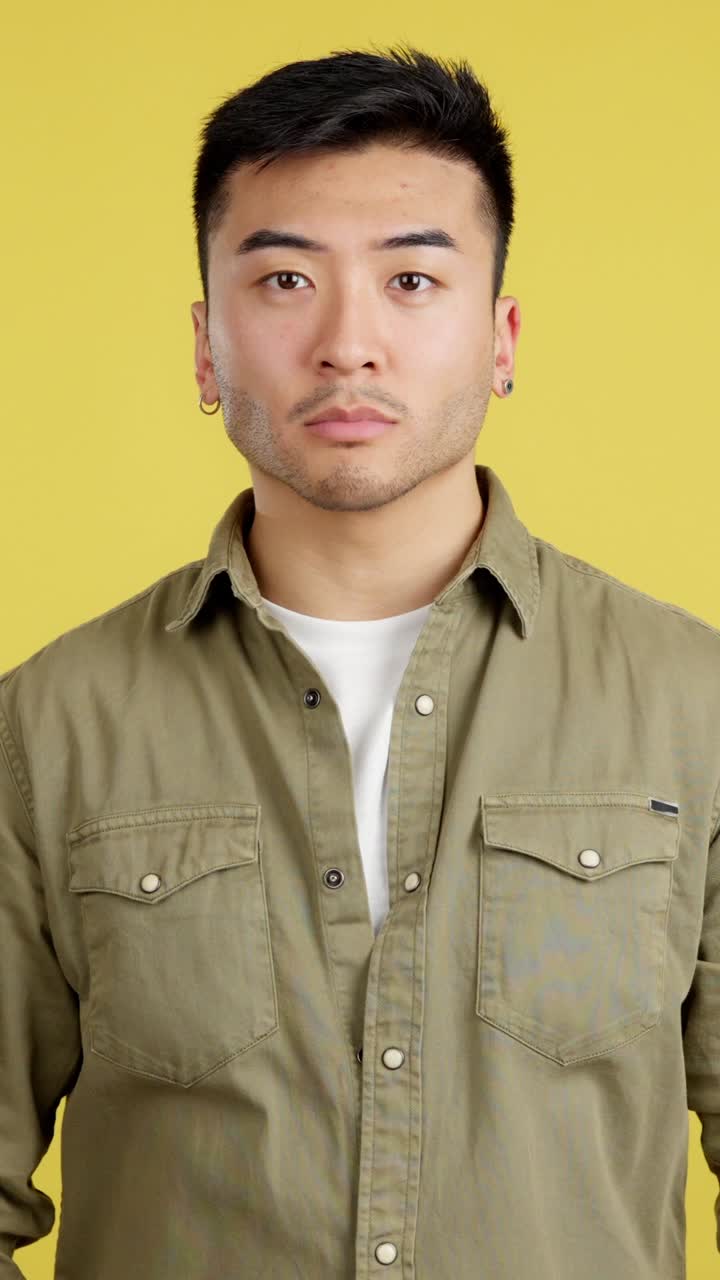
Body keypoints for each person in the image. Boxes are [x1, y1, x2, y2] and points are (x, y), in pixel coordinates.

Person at [1, 42, 718, 1280]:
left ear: (501, 336)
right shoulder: (49, 724)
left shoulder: (692, 702)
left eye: (411, 281)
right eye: (284, 278)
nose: (348, 343)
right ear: (204, 343)